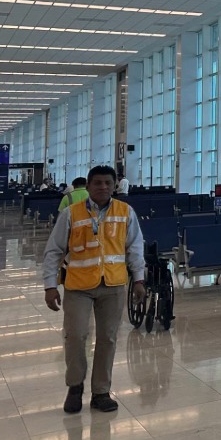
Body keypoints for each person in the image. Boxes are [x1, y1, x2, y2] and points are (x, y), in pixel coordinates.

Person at [41, 165, 146, 414]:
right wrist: (50, 285)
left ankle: (101, 392)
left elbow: (135, 247)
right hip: (79, 286)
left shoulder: (125, 212)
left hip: (113, 285)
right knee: (75, 336)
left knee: (108, 338)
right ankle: (75, 386)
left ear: (114, 186)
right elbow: (54, 250)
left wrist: (139, 279)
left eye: (108, 183)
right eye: (97, 183)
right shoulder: (71, 213)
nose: (103, 187)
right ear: (88, 186)